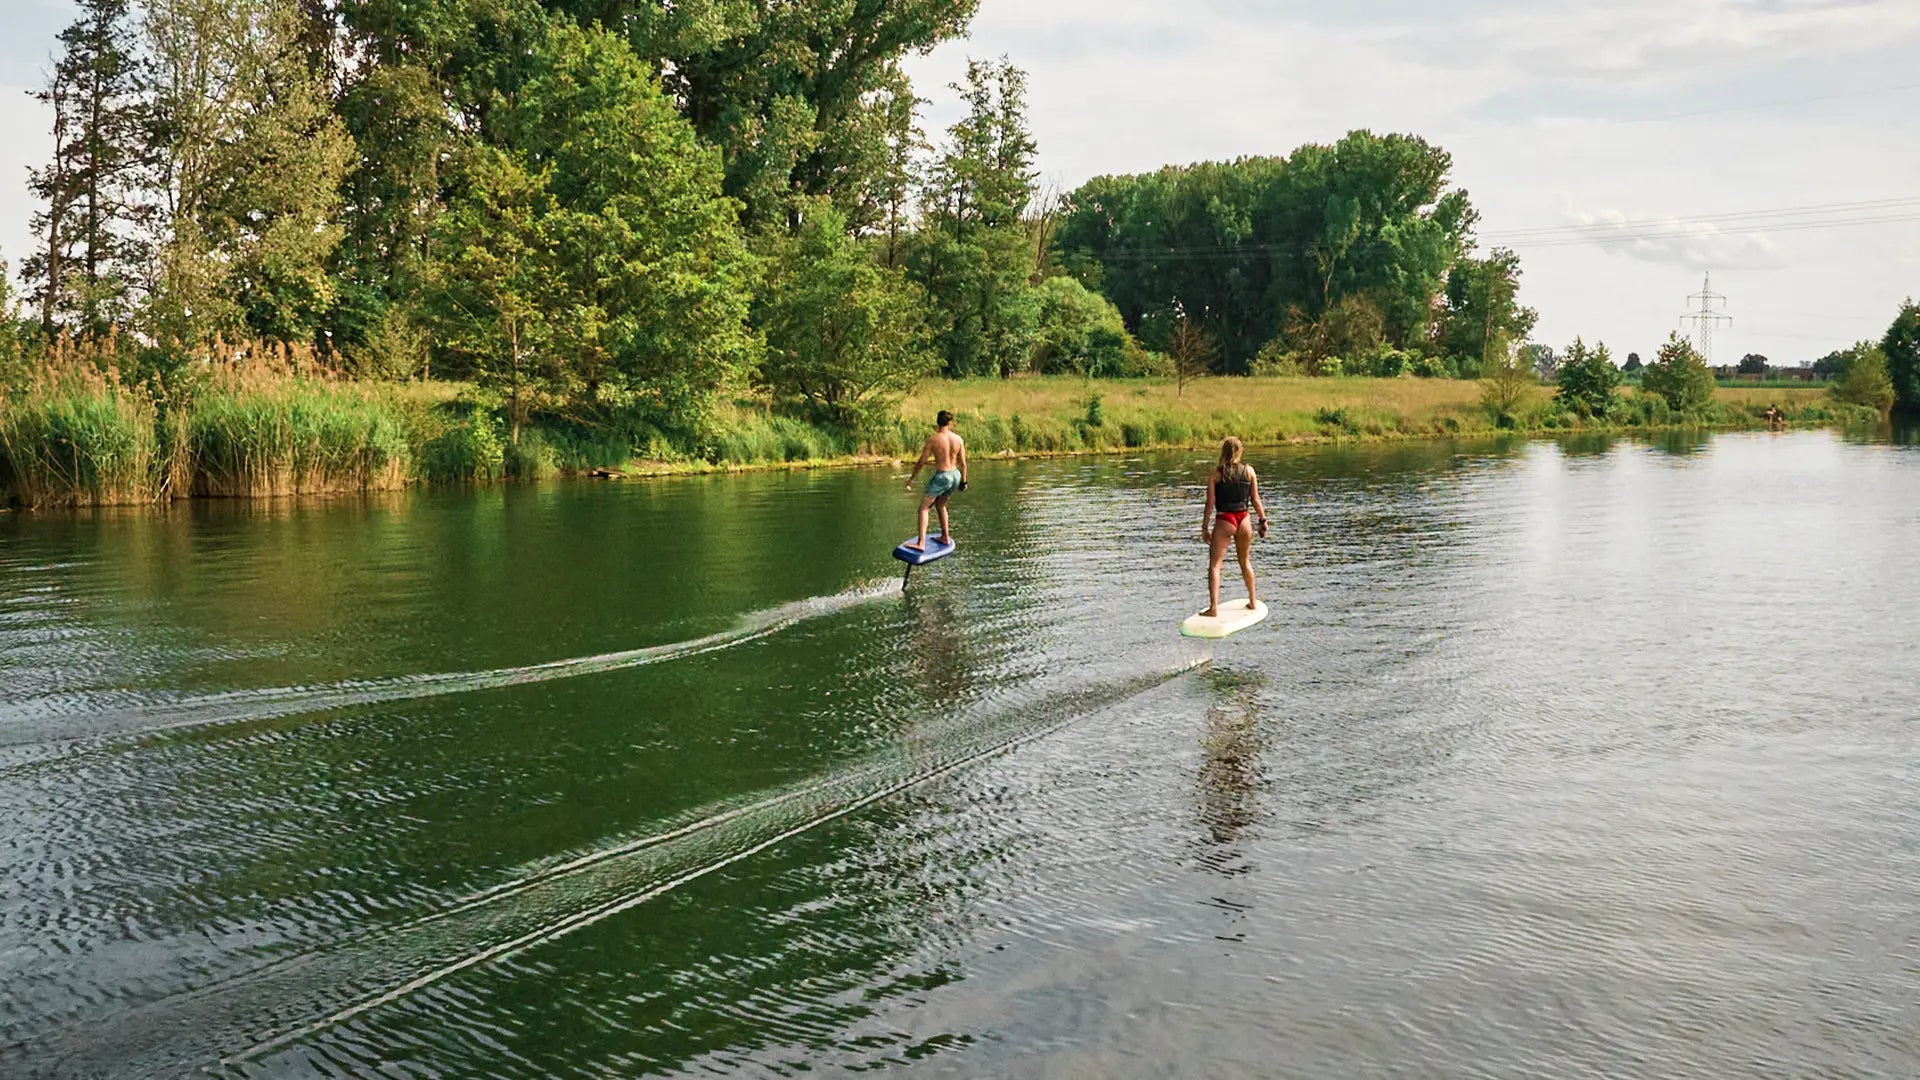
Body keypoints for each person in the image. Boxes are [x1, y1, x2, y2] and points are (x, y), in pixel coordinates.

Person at [1199, 436, 1268, 618]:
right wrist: (1263, 521)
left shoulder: (1216, 475)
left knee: (1215, 565)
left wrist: (1205, 527)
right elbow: (1255, 500)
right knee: (1245, 562)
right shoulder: (1249, 472)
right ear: (1239, 451)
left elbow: (1210, 503)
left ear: (1223, 451)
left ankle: (1214, 608)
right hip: (1244, 519)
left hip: (1225, 520)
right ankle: (1253, 601)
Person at [904, 410, 967, 551]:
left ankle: (920, 544)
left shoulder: (934, 440)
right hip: (955, 475)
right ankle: (945, 537)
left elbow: (921, 462)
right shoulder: (958, 439)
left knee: (923, 508)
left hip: (942, 476)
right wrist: (964, 481)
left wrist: (911, 479)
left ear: (937, 422)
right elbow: (963, 463)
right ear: (950, 423)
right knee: (941, 505)